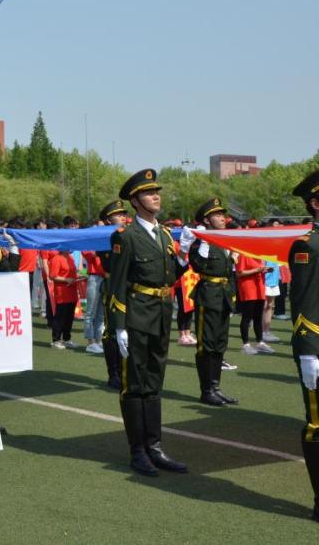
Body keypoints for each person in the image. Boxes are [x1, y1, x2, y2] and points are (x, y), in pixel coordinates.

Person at [107, 169, 190, 477]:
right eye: (148, 192)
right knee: (135, 385)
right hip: (137, 316)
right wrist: (119, 326)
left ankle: (155, 447)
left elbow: (169, 276)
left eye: (157, 191)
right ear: (135, 201)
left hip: (161, 315)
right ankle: (138, 451)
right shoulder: (125, 237)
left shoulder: (165, 234)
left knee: (154, 383)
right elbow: (116, 284)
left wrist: (185, 256)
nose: (156, 196)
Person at [288, 169, 319, 520]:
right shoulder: (307, 245)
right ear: (315, 203)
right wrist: (309, 350)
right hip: (317, 343)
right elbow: (303, 301)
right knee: (317, 425)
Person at [187, 198, 239, 407]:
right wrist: (204, 242)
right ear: (207, 220)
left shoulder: (224, 240)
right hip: (208, 296)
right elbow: (198, 265)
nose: (223, 218)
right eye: (217, 215)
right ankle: (206, 390)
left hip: (223, 296)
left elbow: (229, 272)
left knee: (220, 344)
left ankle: (216, 388)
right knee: (207, 345)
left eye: (222, 214)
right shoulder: (201, 242)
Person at [97, 200, 128, 389]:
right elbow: (110, 264)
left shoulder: (129, 234)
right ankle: (114, 374)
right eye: (118, 214)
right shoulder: (105, 238)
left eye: (124, 214)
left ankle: (126, 372)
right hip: (113, 286)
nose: (123, 217)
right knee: (112, 331)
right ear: (108, 220)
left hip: (129, 286)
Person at [236, 250, 271, 354]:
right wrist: (257, 270)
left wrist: (265, 270)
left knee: (258, 317)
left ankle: (260, 342)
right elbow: (239, 273)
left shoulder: (259, 254)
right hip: (248, 288)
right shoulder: (243, 254)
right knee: (247, 317)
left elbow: (259, 269)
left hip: (260, 288)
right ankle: (246, 344)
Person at [48, 249, 80, 349]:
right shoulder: (57, 258)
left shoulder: (70, 258)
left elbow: (72, 273)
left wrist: (78, 277)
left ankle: (66, 339)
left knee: (69, 317)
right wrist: (66, 279)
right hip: (62, 293)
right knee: (60, 317)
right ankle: (56, 340)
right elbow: (52, 276)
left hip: (72, 292)